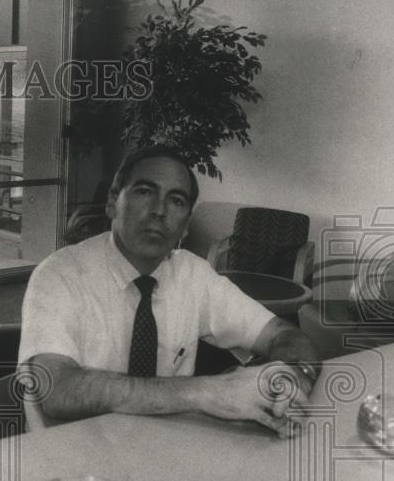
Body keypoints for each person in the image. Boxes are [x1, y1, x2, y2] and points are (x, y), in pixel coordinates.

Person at [18, 146, 320, 436]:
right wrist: (206, 392)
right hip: (70, 457)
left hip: (165, 451)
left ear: (186, 224)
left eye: (176, 201)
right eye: (145, 192)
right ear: (113, 201)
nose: (159, 211)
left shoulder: (193, 274)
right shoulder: (59, 274)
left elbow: (284, 334)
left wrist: (289, 381)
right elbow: (55, 388)